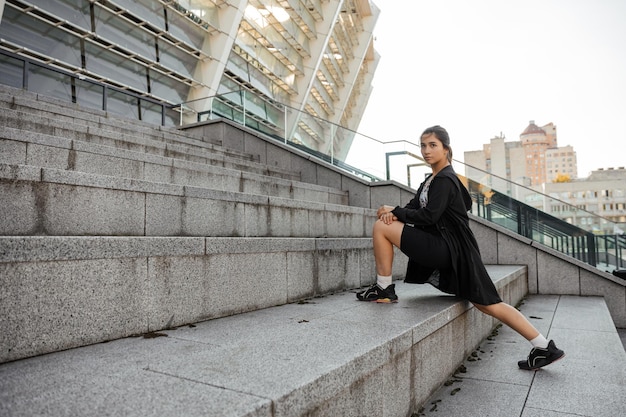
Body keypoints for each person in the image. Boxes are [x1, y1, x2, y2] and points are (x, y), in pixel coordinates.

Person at [356, 125, 564, 370]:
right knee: (486, 304)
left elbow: (429, 216)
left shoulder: (446, 179)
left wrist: (394, 213)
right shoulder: (431, 180)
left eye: (433, 145)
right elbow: (413, 208)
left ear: (446, 149)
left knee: (489, 303)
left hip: (451, 249)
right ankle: (542, 346)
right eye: (423, 145)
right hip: (448, 247)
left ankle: (383, 288)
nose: (426, 150)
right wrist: (392, 212)